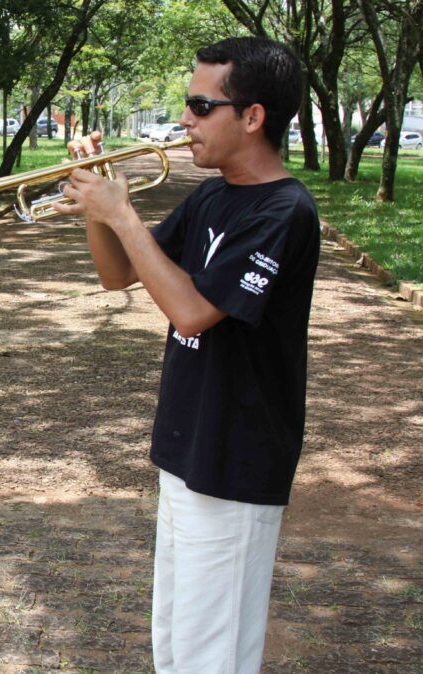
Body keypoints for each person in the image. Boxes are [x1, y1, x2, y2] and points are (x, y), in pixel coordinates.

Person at [54, 37, 320, 673]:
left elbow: (193, 310)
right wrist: (97, 203)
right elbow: (119, 276)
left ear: (252, 117)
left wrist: (124, 217)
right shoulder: (213, 194)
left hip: (238, 454)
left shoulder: (284, 210)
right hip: (189, 443)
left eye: (201, 106)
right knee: (175, 640)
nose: (183, 121)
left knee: (213, 652)